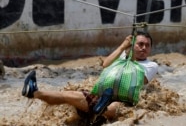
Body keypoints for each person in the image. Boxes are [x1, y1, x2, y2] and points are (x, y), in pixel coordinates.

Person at [21, 31, 158, 120]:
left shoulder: (151, 65)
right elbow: (105, 64)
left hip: (124, 100)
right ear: (133, 45)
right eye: (140, 44)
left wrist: (130, 58)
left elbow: (141, 80)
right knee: (68, 95)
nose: (144, 48)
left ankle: (102, 109)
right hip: (101, 96)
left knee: (116, 107)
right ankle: (34, 92)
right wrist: (123, 46)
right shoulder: (122, 55)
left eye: (147, 45)